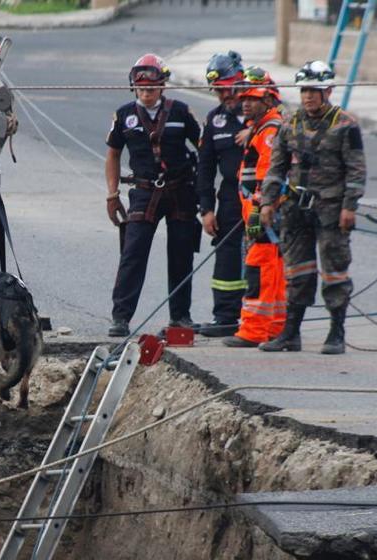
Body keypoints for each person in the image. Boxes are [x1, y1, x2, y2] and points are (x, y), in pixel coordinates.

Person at [258, 60, 366, 354]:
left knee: (335, 271)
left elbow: (356, 171)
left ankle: (336, 333)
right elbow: (276, 168)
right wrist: (267, 202)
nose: (308, 96)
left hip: (331, 209)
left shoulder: (345, 125)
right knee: (297, 271)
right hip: (295, 208)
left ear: (328, 90)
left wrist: (349, 207)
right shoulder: (289, 124)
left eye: (315, 90)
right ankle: (291, 334)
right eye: (305, 90)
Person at [105, 53, 202, 337]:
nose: (146, 93)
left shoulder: (182, 112)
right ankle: (120, 318)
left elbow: (204, 148)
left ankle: (181, 317)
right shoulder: (124, 116)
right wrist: (112, 194)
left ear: (162, 86)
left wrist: (205, 193)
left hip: (181, 190)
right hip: (144, 192)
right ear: (134, 87)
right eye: (141, 88)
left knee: (182, 254)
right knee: (132, 253)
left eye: (151, 88)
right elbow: (112, 154)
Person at [223, 68, 287, 348]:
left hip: (262, 212)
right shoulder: (263, 128)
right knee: (273, 269)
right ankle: (274, 327)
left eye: (253, 98)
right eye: (244, 97)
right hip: (264, 210)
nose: (245, 102)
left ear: (269, 100)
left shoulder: (269, 131)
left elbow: (268, 173)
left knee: (259, 269)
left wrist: (258, 209)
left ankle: (252, 330)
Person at [195, 51, 248, 337]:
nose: (223, 94)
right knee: (227, 258)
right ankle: (226, 317)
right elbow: (204, 168)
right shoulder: (214, 120)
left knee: (260, 258)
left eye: (227, 86)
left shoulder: (265, 113)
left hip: (261, 197)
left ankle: (261, 320)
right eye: (218, 89)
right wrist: (206, 209)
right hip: (229, 198)